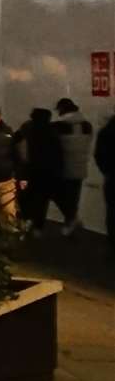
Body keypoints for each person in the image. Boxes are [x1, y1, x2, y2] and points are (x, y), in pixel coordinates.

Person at [13, 107, 62, 230]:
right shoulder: (52, 131)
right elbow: (57, 153)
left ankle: (26, 220)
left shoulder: (27, 128)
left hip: (28, 171)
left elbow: (15, 142)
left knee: (25, 197)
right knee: (42, 201)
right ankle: (38, 226)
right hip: (45, 172)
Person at [52, 98, 93, 235]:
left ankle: (72, 220)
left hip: (64, 169)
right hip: (80, 168)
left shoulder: (59, 126)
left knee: (57, 194)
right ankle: (71, 222)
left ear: (62, 110)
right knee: (73, 198)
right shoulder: (87, 125)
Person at [95, 112, 115, 263]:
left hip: (113, 179)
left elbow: (99, 155)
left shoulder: (108, 130)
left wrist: (108, 171)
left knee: (112, 214)